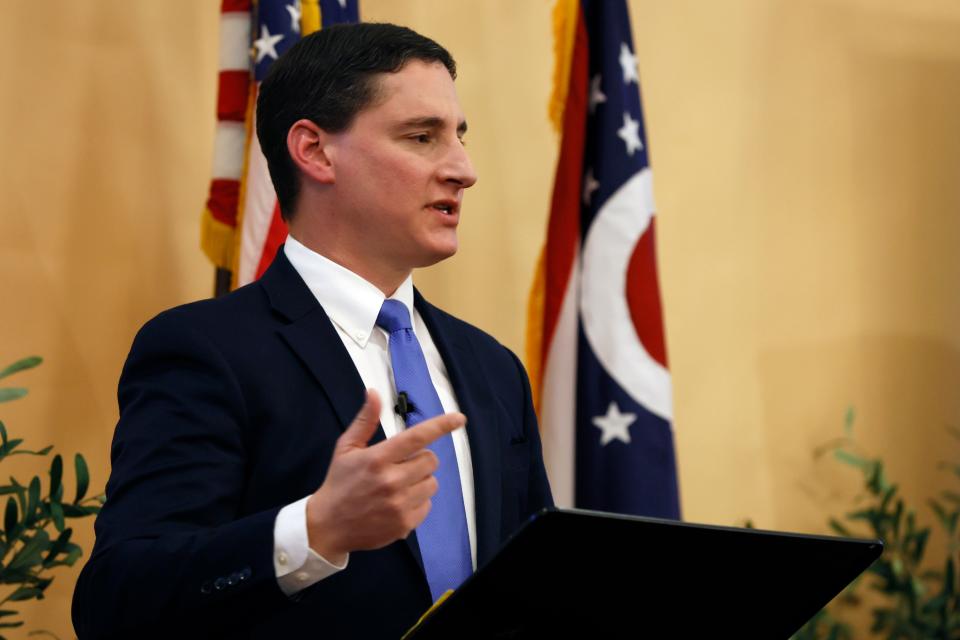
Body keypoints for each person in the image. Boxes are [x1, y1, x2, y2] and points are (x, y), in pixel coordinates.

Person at [72, 22, 553, 639]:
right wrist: (313, 531)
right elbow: (117, 602)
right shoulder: (205, 351)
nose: (463, 169)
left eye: (458, 137)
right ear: (315, 151)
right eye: (421, 137)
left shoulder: (492, 367)